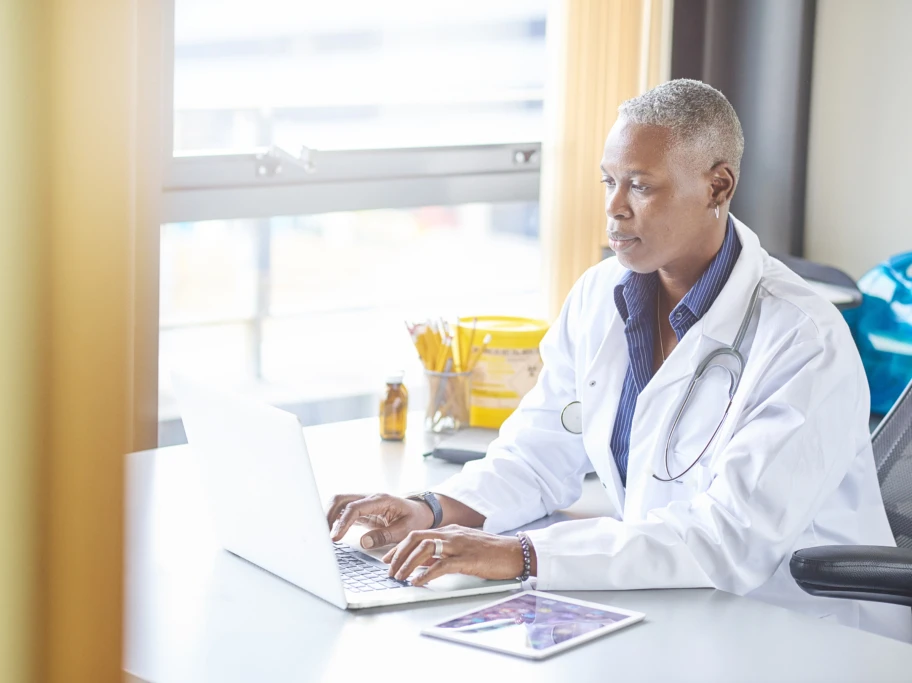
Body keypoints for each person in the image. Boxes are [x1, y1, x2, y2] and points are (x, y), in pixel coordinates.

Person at [326, 79, 911, 641]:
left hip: (798, 628)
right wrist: (429, 509)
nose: (614, 208)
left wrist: (522, 554)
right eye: (608, 180)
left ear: (717, 187)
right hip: (670, 604)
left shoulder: (805, 341)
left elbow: (729, 539)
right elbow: (536, 456)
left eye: (640, 185)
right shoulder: (599, 297)